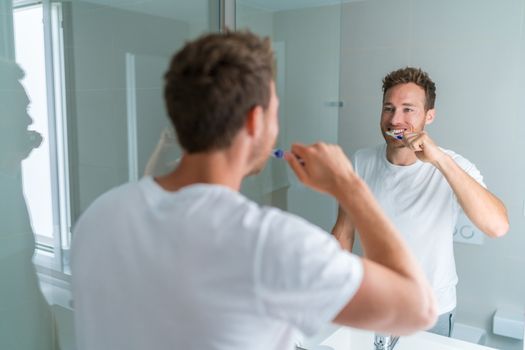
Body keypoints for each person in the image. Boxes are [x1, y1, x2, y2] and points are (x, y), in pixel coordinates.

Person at [71, 32, 437, 350]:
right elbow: (417, 309)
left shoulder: (101, 215)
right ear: (254, 121)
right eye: (275, 112)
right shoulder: (268, 243)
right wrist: (350, 187)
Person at [332, 67, 509, 337]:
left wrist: (439, 160)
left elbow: (497, 226)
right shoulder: (361, 161)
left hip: (430, 313)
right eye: (388, 108)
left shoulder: (454, 166)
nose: (395, 120)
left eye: (408, 109)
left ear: (429, 116)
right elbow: (344, 233)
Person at [0, 59, 59, 349]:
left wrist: (44, 321)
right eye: (21, 109)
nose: (29, 120)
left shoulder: (8, 176)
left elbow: (21, 265)